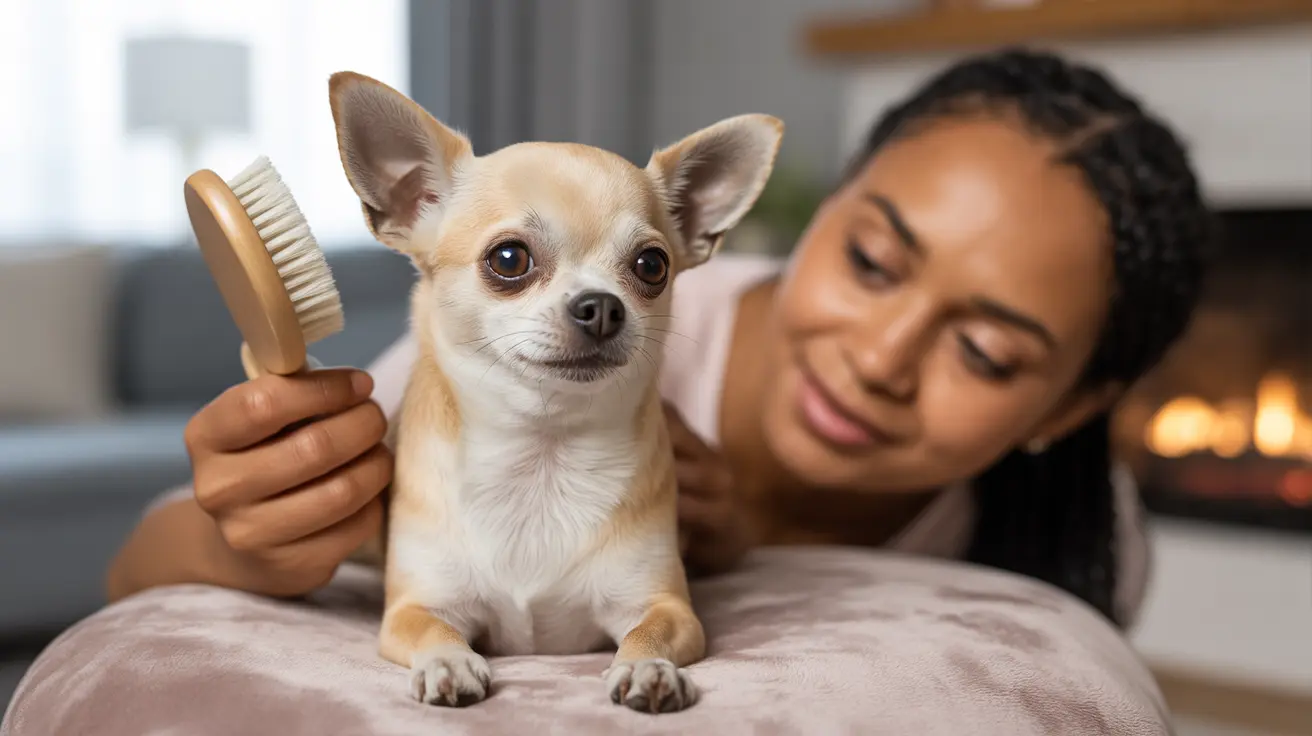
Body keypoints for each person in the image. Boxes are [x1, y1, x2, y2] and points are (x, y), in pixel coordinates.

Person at [106, 48, 1214, 630]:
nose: (881, 356)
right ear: (793, 214)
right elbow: (136, 575)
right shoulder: (553, 347)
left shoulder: (1075, 536)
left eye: (987, 353)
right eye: (871, 260)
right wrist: (247, 535)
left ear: (1070, 408)